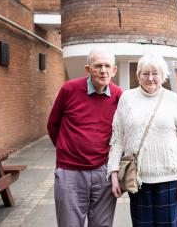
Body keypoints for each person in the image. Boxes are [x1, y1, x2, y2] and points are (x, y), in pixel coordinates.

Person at [107, 54, 177, 227]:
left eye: (155, 73)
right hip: (138, 181)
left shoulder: (173, 100)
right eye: (145, 73)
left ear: (163, 76)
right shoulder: (127, 99)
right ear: (138, 75)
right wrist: (114, 174)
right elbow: (117, 140)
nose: (150, 78)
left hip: (170, 181)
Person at [47, 49, 123, 227]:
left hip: (103, 172)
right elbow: (53, 125)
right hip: (70, 172)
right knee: (69, 224)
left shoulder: (119, 95)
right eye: (98, 66)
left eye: (107, 66)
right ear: (88, 69)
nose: (103, 70)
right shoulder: (69, 89)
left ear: (114, 70)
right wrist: (67, 150)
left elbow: (122, 133)